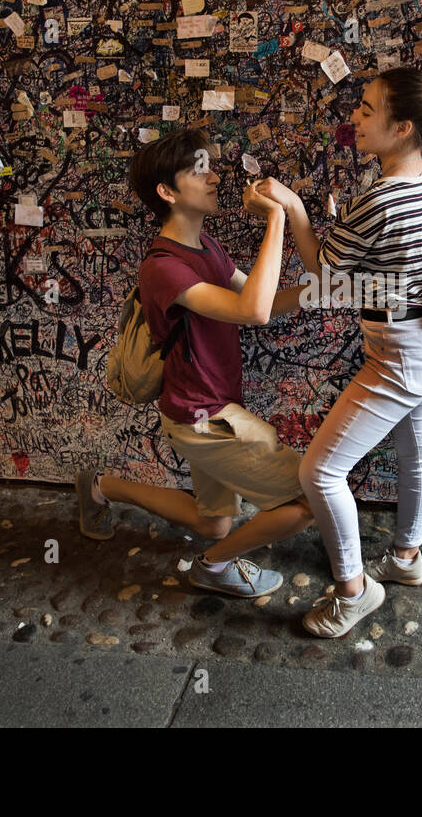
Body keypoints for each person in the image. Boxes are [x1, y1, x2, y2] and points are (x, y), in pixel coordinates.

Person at [256, 67, 422, 636]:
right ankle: (406, 559)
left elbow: (320, 270)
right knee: (416, 451)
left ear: (401, 128)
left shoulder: (378, 198)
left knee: (320, 471)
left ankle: (354, 590)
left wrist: (296, 210)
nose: (355, 115)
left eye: (368, 109)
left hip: (396, 351)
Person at [76, 127, 313, 598]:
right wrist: (277, 219)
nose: (215, 177)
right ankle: (211, 569)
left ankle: (99, 487)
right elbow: (254, 311)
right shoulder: (163, 267)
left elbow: (258, 300)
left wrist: (319, 291)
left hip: (201, 407)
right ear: (167, 192)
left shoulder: (207, 249)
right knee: (306, 501)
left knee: (214, 522)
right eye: (198, 170)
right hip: (203, 417)